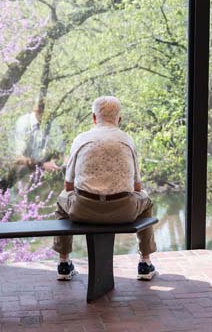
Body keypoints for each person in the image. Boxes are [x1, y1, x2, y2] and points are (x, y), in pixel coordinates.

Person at [52, 96, 157, 281]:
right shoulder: (127, 140)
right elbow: (137, 186)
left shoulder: (81, 140)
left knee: (62, 201)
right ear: (119, 119)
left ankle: (63, 263)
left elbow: (68, 185)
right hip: (124, 212)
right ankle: (145, 263)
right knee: (146, 201)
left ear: (93, 117)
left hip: (82, 210)